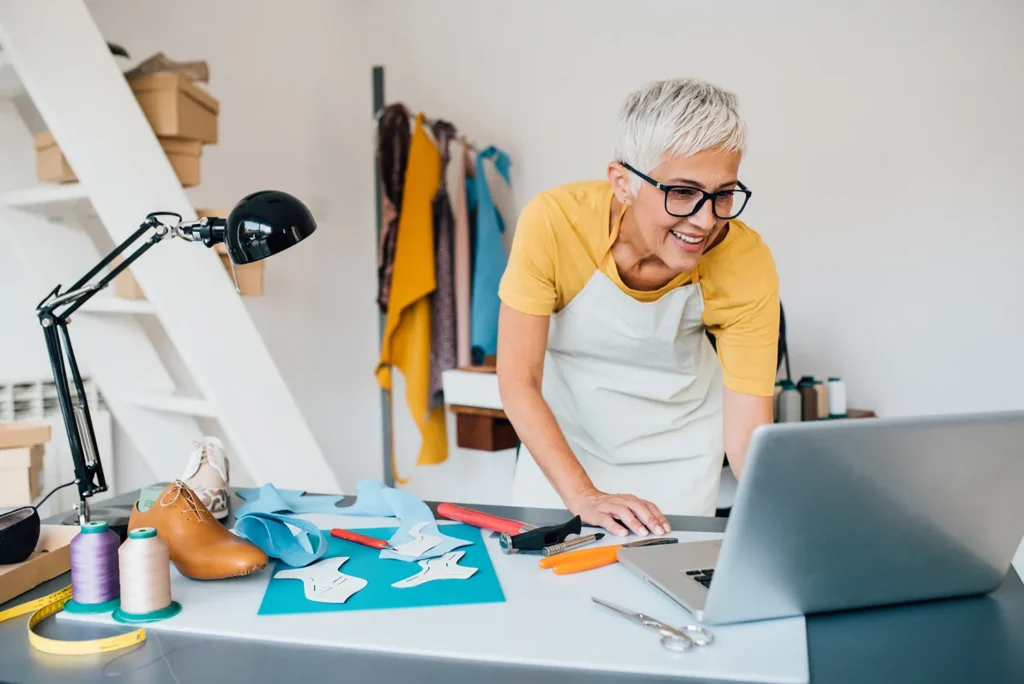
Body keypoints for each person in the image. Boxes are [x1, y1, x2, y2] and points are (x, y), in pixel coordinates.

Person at [496, 78, 779, 537]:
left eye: (723, 193)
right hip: (564, 456)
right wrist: (583, 495)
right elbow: (517, 381)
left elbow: (749, 432)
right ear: (623, 184)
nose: (705, 220)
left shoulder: (745, 260)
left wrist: (784, 524)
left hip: (679, 461)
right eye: (682, 192)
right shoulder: (555, 222)